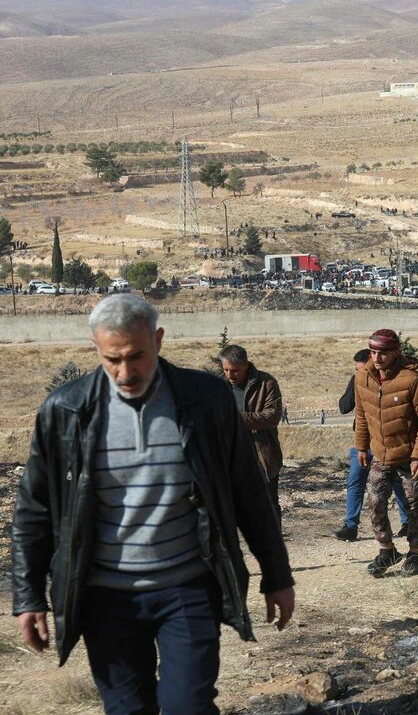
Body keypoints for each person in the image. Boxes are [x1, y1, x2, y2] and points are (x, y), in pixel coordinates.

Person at [12, 294, 294, 714]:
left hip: (188, 587)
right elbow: (34, 509)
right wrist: (28, 596)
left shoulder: (207, 400)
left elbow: (248, 493)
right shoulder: (66, 410)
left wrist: (277, 573)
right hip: (105, 598)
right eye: (113, 359)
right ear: (96, 347)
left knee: (190, 706)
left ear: (158, 340)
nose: (126, 372)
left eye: (137, 356)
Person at [355, 328, 418, 577]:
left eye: (383, 353)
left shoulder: (412, 380)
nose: (377, 358)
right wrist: (361, 446)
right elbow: (361, 414)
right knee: (375, 501)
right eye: (373, 352)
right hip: (380, 452)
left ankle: (414, 554)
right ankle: (387, 550)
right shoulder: (362, 377)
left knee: (413, 505)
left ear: (396, 352)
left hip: (410, 456)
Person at [335, 348, 410, 541]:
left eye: (362, 369)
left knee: (397, 482)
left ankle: (407, 522)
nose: (360, 372)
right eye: (356, 370)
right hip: (364, 442)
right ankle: (350, 526)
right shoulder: (358, 380)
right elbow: (344, 407)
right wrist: (356, 384)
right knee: (355, 482)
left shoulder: (389, 381)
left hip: (387, 442)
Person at [220, 344, 285, 520]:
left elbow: (272, 416)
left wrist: (235, 418)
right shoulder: (218, 386)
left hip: (262, 456)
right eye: (226, 370)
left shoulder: (267, 383)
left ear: (246, 365)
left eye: (234, 370)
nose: (229, 375)